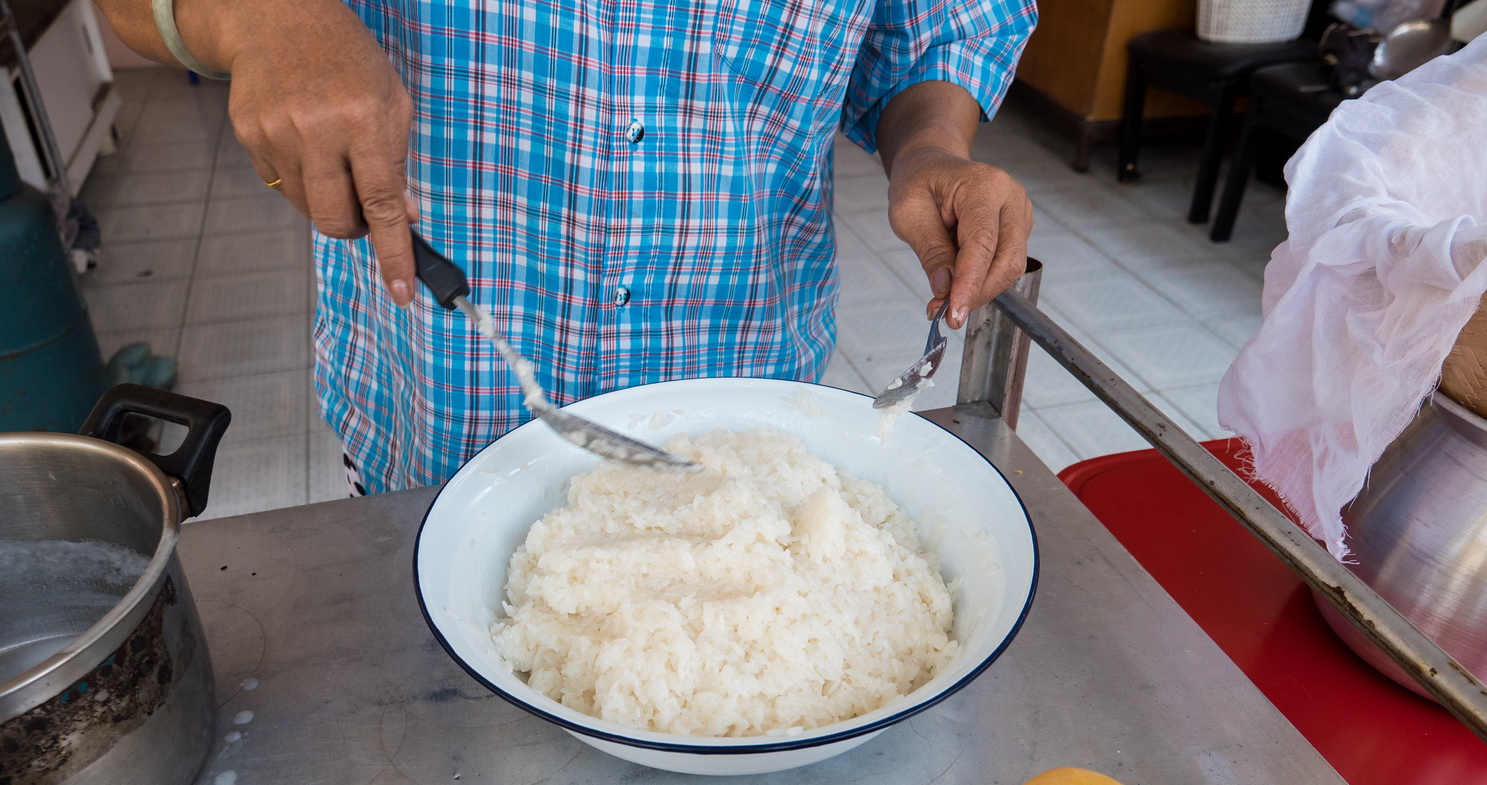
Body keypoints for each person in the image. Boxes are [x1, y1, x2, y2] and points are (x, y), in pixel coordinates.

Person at [94, 0, 1038, 489]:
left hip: (738, 412)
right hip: (433, 423)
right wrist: (265, 19)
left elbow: (936, 24)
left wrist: (931, 145)